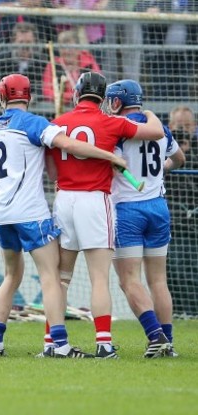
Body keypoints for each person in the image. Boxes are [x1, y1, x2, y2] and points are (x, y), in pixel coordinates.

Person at [0, 74, 126, 358]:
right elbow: (70, 146)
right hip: (31, 213)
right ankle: (59, 346)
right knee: (52, 277)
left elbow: (48, 164)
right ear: (30, 96)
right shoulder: (35, 124)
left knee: (11, 276)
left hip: (2, 213)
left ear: (2, 97)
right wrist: (109, 157)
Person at [46, 71, 165, 359]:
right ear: (103, 98)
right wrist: (148, 112)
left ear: (76, 93)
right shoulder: (112, 121)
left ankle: (53, 342)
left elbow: (50, 173)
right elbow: (156, 131)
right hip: (95, 200)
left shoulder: (57, 123)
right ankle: (103, 343)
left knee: (61, 279)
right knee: (99, 277)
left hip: (64, 200)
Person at [106, 79, 185, 358]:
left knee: (129, 279)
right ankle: (169, 344)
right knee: (158, 280)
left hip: (128, 209)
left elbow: (112, 164)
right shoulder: (159, 128)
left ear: (117, 102)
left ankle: (156, 337)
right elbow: (180, 159)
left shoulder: (116, 129)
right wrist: (161, 169)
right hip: (158, 207)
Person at [0, 22, 47, 102]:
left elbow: (43, 89)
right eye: (21, 42)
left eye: (28, 42)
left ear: (35, 43)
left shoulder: (42, 61)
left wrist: (32, 98)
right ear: (13, 42)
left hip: (33, 108)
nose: (25, 46)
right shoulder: (0, 60)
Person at [42, 30, 101, 105]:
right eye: (63, 48)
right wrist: (71, 97)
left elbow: (97, 88)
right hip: (61, 107)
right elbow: (47, 92)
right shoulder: (52, 65)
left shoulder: (89, 61)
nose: (67, 52)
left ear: (78, 48)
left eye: (70, 48)